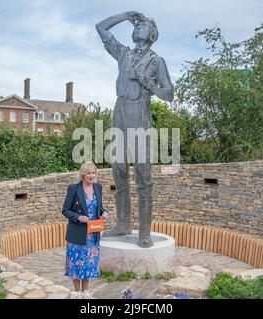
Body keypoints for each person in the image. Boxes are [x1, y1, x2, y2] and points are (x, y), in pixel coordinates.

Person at [96, 11, 174, 247]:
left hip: (140, 112)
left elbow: (168, 93)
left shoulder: (156, 60)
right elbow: (101, 27)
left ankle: (144, 232)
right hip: (120, 110)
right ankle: (122, 225)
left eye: (144, 26)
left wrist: (144, 81)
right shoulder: (124, 54)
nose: (138, 27)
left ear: (152, 34)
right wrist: (126, 15)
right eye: (137, 25)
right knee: (118, 170)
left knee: (143, 175)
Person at [62, 162, 109, 298]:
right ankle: (77, 292)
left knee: (89, 262)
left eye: (93, 173)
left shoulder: (98, 187)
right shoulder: (74, 188)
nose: (91, 176)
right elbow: (65, 210)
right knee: (76, 263)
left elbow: (98, 207)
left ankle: (86, 291)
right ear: (83, 174)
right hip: (77, 233)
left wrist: (104, 212)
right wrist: (78, 217)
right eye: (88, 173)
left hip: (93, 233)